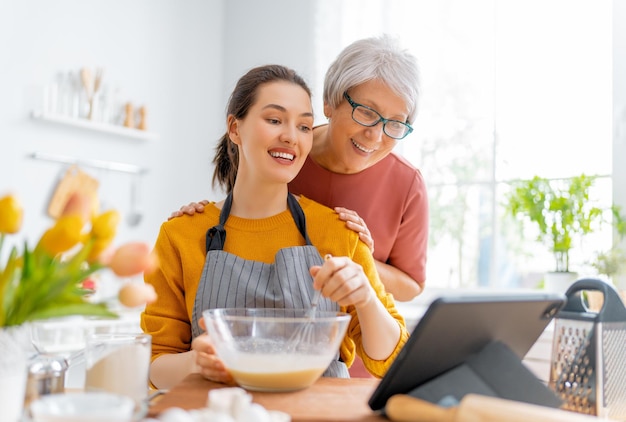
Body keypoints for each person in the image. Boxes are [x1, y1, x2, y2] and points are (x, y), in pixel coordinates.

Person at [141, 64, 409, 390]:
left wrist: (366, 298)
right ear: (235, 128)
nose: (290, 136)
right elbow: (154, 364)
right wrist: (195, 363)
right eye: (274, 120)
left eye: (305, 126)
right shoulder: (181, 235)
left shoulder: (340, 233)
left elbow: (391, 360)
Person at [170, 35, 427, 303]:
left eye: (396, 123)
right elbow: (237, 232)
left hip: (352, 325)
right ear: (329, 102)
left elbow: (412, 285)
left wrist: (354, 256)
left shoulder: (407, 184)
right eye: (366, 113)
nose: (375, 136)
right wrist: (199, 222)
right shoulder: (281, 156)